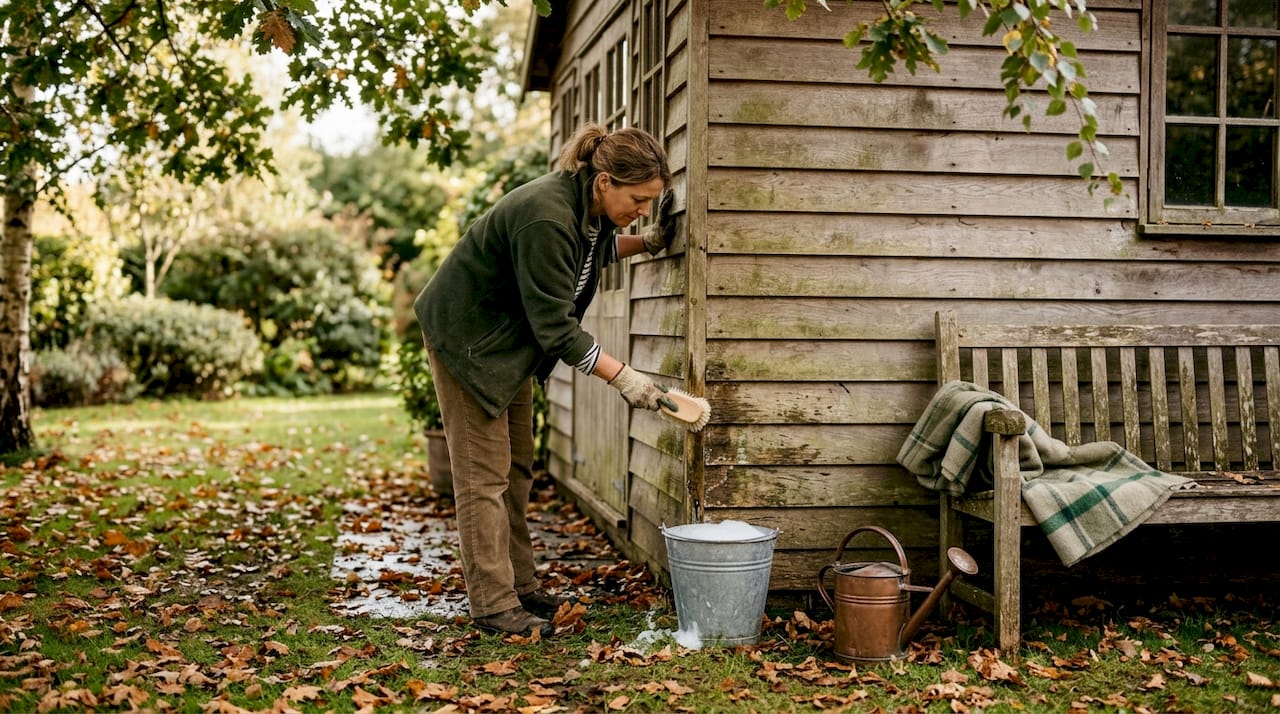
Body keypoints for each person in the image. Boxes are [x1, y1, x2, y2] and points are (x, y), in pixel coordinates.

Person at [413, 124, 678, 638]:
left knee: (515, 468)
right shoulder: (547, 216)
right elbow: (557, 330)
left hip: (508, 345)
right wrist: (627, 380)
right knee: (482, 477)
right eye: (639, 199)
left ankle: (519, 585)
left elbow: (592, 254)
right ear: (604, 182)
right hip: (469, 341)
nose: (643, 208)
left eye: (651, 202)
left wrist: (648, 241)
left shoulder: (585, 211)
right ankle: (492, 603)